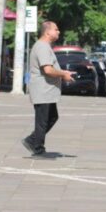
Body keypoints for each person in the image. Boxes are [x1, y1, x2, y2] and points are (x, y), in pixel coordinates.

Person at [22, 21, 74, 156]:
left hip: (46, 91)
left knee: (51, 117)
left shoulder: (44, 46)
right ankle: (38, 148)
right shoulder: (43, 47)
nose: (58, 32)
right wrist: (63, 74)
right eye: (56, 29)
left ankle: (32, 140)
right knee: (42, 120)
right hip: (42, 90)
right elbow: (48, 70)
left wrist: (64, 73)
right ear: (47, 32)